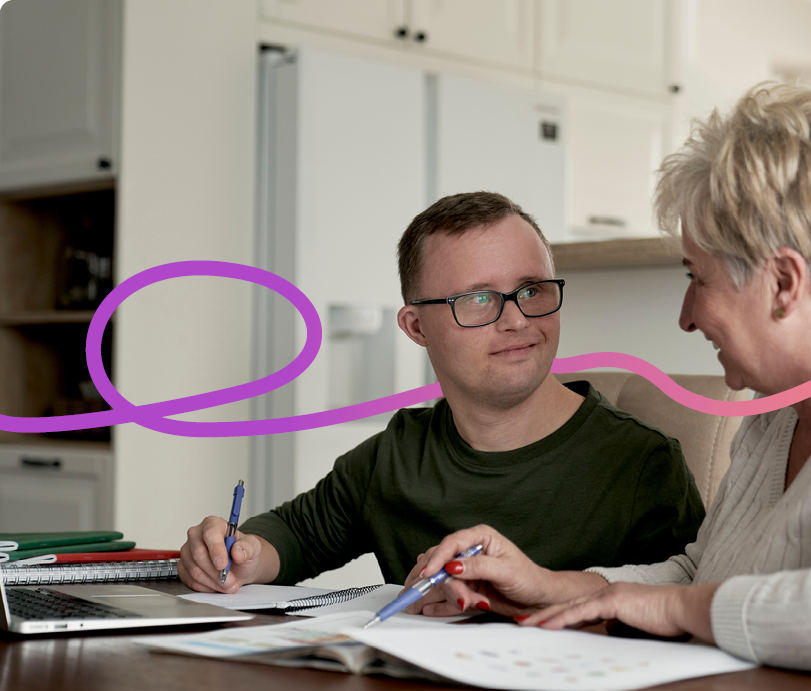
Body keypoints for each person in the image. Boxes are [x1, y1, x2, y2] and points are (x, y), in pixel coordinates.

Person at [409, 85, 811, 685]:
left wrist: (668, 608)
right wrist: (547, 588)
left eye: (699, 278)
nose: (687, 316)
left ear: (784, 282)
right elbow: (703, 578)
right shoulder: (780, 410)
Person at [178, 191, 705, 603]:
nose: (516, 319)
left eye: (531, 290)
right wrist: (239, 553)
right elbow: (294, 535)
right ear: (416, 327)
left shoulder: (643, 464)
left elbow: (686, 606)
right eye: (478, 299)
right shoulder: (396, 454)